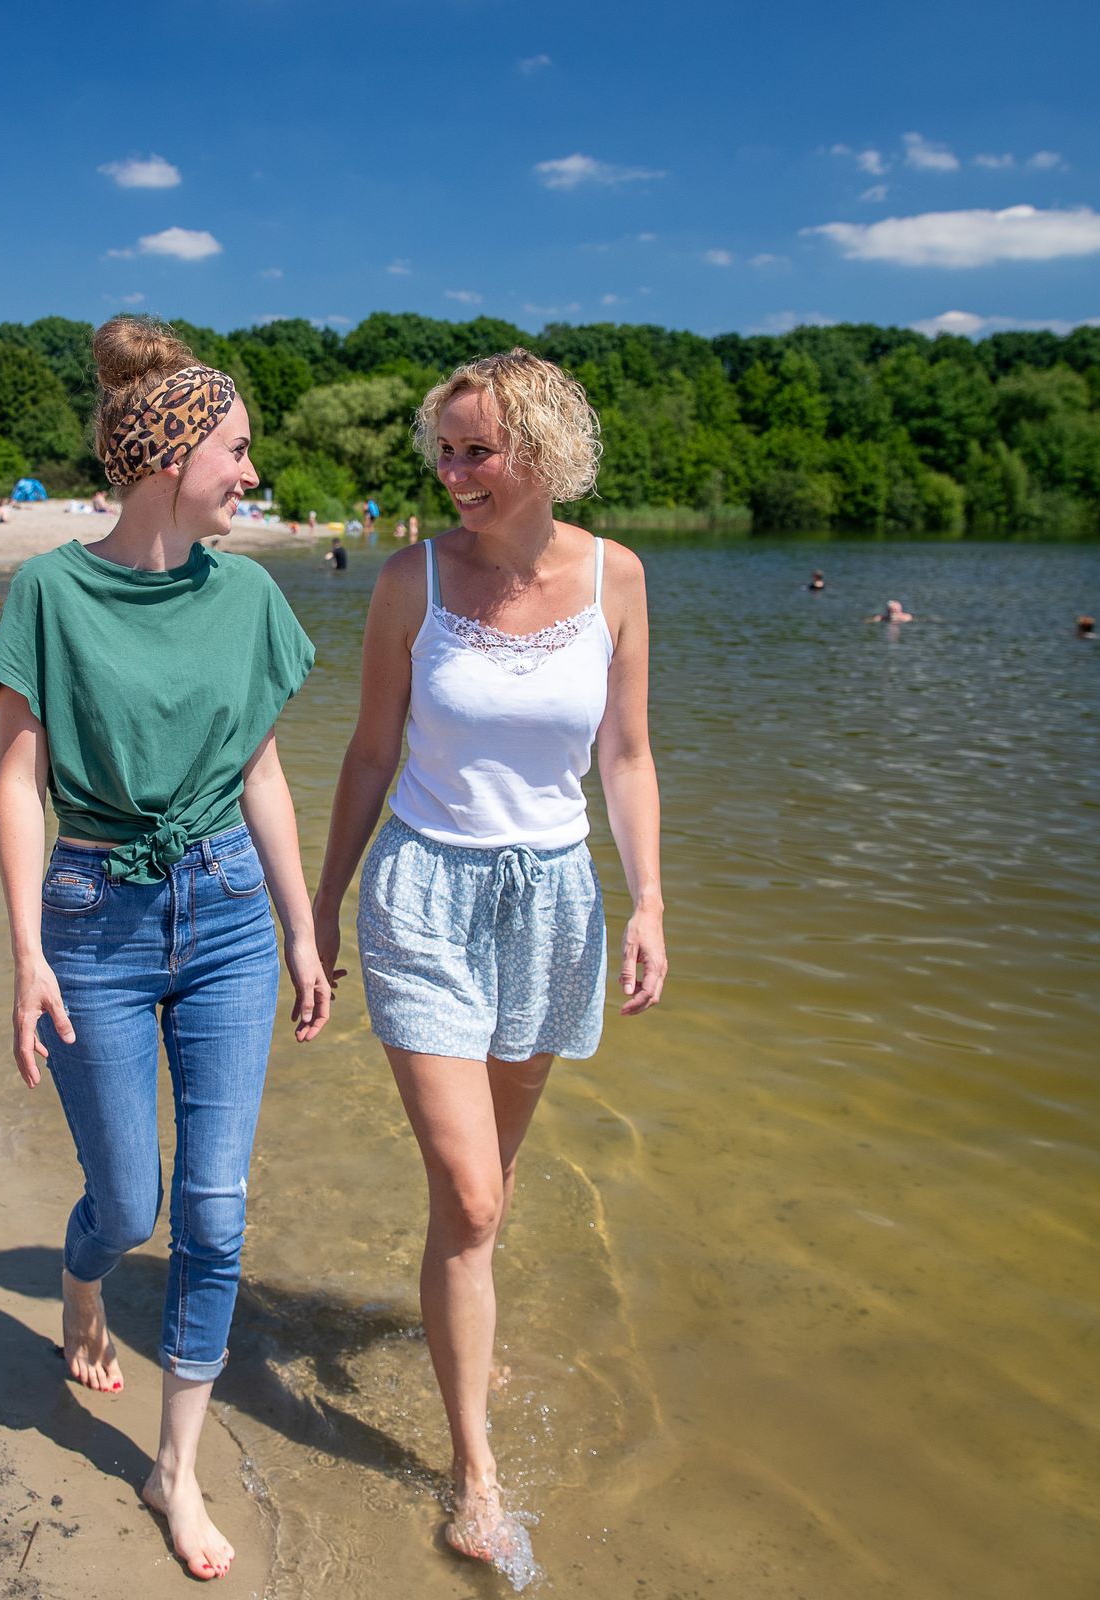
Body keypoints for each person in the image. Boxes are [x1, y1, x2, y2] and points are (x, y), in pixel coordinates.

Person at [0, 317, 328, 1583]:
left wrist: (301, 928)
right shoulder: (50, 591)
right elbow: (19, 781)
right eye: (237, 448)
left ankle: (174, 1469)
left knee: (215, 1212)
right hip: (94, 920)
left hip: (228, 911)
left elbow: (262, 773)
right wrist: (27, 954)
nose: (253, 472)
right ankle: (82, 1285)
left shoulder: (248, 595)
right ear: (171, 456)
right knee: (129, 1206)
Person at [313, 349, 667, 1569]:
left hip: (554, 901)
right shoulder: (409, 578)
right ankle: (476, 1473)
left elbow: (627, 756)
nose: (456, 473)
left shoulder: (617, 576)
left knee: (492, 1187)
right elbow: (370, 751)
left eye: (481, 450)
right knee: (468, 1193)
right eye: (448, 451)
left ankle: (464, 1315)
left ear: (547, 451)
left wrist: (650, 901)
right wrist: (322, 901)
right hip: (423, 892)